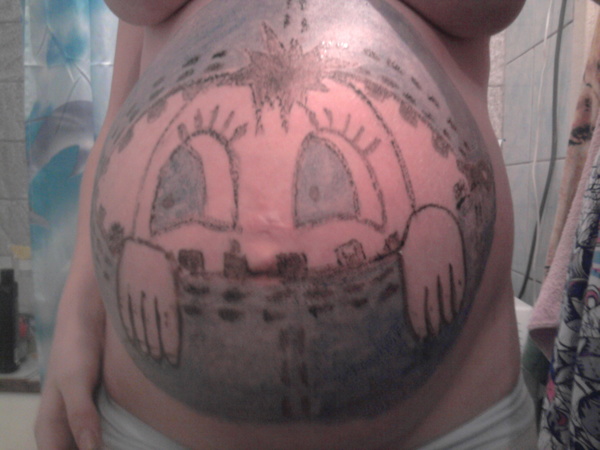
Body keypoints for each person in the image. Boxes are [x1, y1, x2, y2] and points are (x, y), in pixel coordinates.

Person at [34, 0, 533, 448]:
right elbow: (122, 116)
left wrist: (436, 217)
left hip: (453, 423)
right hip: (148, 424)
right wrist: (80, 313)